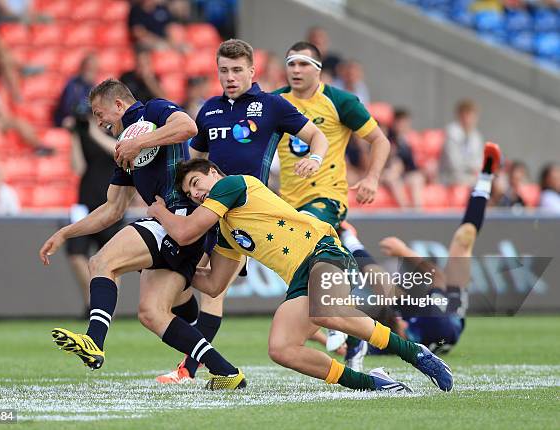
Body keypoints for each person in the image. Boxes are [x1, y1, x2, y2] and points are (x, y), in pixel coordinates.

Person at [148, 158, 454, 392]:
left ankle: (416, 354)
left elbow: (186, 231)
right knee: (281, 349)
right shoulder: (226, 230)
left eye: (197, 183)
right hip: (299, 279)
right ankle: (374, 384)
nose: (197, 193)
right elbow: (213, 284)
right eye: (190, 192)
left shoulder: (232, 185)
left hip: (323, 249)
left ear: (214, 172)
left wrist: (159, 212)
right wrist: (174, 267)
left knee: (324, 311)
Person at [38, 79, 245, 390]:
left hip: (176, 217)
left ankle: (94, 341)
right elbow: (112, 209)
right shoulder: (125, 148)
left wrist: (141, 143)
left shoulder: (154, 110)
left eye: (100, 113)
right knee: (152, 313)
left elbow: (187, 126)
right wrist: (66, 232)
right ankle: (227, 372)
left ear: (119, 105)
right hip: (174, 231)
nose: (99, 122)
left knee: (101, 262)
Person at [156, 38, 329, 384]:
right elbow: (195, 164)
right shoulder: (208, 110)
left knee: (210, 292)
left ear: (252, 71)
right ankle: (191, 364)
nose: (230, 76)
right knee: (188, 286)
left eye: (237, 70)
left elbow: (317, 137)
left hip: (246, 217)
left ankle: (188, 370)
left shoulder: (272, 106)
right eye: (224, 70)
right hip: (207, 212)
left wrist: (314, 158)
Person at [274, 41, 391, 367]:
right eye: (291, 64)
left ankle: (344, 292)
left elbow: (380, 140)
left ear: (318, 69)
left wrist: (372, 179)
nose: (296, 70)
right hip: (287, 204)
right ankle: (353, 335)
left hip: (328, 196)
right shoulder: (275, 102)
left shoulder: (340, 102)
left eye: (303, 64)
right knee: (302, 281)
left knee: (311, 238)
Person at [349, 143, 502, 368]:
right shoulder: (429, 324)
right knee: (464, 238)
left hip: (428, 317)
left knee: (382, 283)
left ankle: (486, 174)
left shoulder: (395, 320)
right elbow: (438, 278)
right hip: (450, 314)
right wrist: (404, 252)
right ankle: (487, 175)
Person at [65, 111, 126, 314]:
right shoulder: (82, 134)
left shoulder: (117, 131)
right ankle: (90, 302)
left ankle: (109, 309)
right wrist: (75, 135)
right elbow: (78, 167)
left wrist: (94, 132)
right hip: (85, 203)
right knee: (75, 253)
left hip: (111, 203)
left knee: (112, 259)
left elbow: (117, 152)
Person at [383, 108, 424, 209]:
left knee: (417, 178)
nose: (404, 126)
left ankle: (418, 210)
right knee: (393, 177)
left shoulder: (406, 141)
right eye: (401, 123)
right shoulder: (386, 138)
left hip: (403, 174)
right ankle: (405, 210)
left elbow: (411, 166)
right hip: (387, 174)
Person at [439, 99, 484, 186]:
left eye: (472, 115)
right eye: (466, 114)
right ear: (460, 115)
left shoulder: (476, 136)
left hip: (470, 175)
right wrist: (472, 167)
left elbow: (480, 160)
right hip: (451, 176)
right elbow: (454, 163)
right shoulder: (451, 133)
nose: (469, 119)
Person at [54, 53, 98, 129]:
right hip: (68, 118)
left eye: (93, 70)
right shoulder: (73, 84)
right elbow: (67, 107)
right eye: (88, 69)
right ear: (82, 68)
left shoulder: (94, 87)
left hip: (85, 120)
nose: (90, 73)